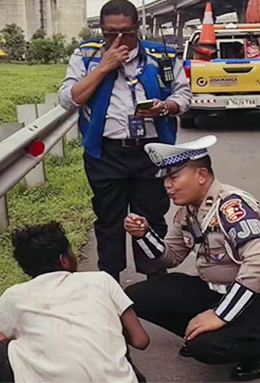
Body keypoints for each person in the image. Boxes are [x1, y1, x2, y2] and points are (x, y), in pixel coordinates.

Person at [123, 136, 260, 381]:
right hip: (215, 289)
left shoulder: (232, 207)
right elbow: (169, 258)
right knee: (136, 296)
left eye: (174, 178)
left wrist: (220, 315)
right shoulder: (188, 212)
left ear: (201, 175)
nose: (167, 186)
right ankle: (198, 333)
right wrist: (144, 235)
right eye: (165, 179)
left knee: (207, 347)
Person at [59, 0, 192, 282]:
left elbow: (184, 96)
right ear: (101, 30)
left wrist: (165, 107)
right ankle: (110, 284)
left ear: (138, 28)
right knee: (109, 220)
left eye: (127, 32)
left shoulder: (163, 55)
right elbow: (69, 100)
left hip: (152, 151)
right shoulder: (86, 55)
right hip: (105, 153)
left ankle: (155, 283)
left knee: (152, 218)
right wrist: (104, 67)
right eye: (110, 33)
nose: (118, 39)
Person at [0, 222, 150, 383]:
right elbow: (141, 340)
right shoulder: (101, 280)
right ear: (64, 260)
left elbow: (4, 342)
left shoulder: (13, 297)